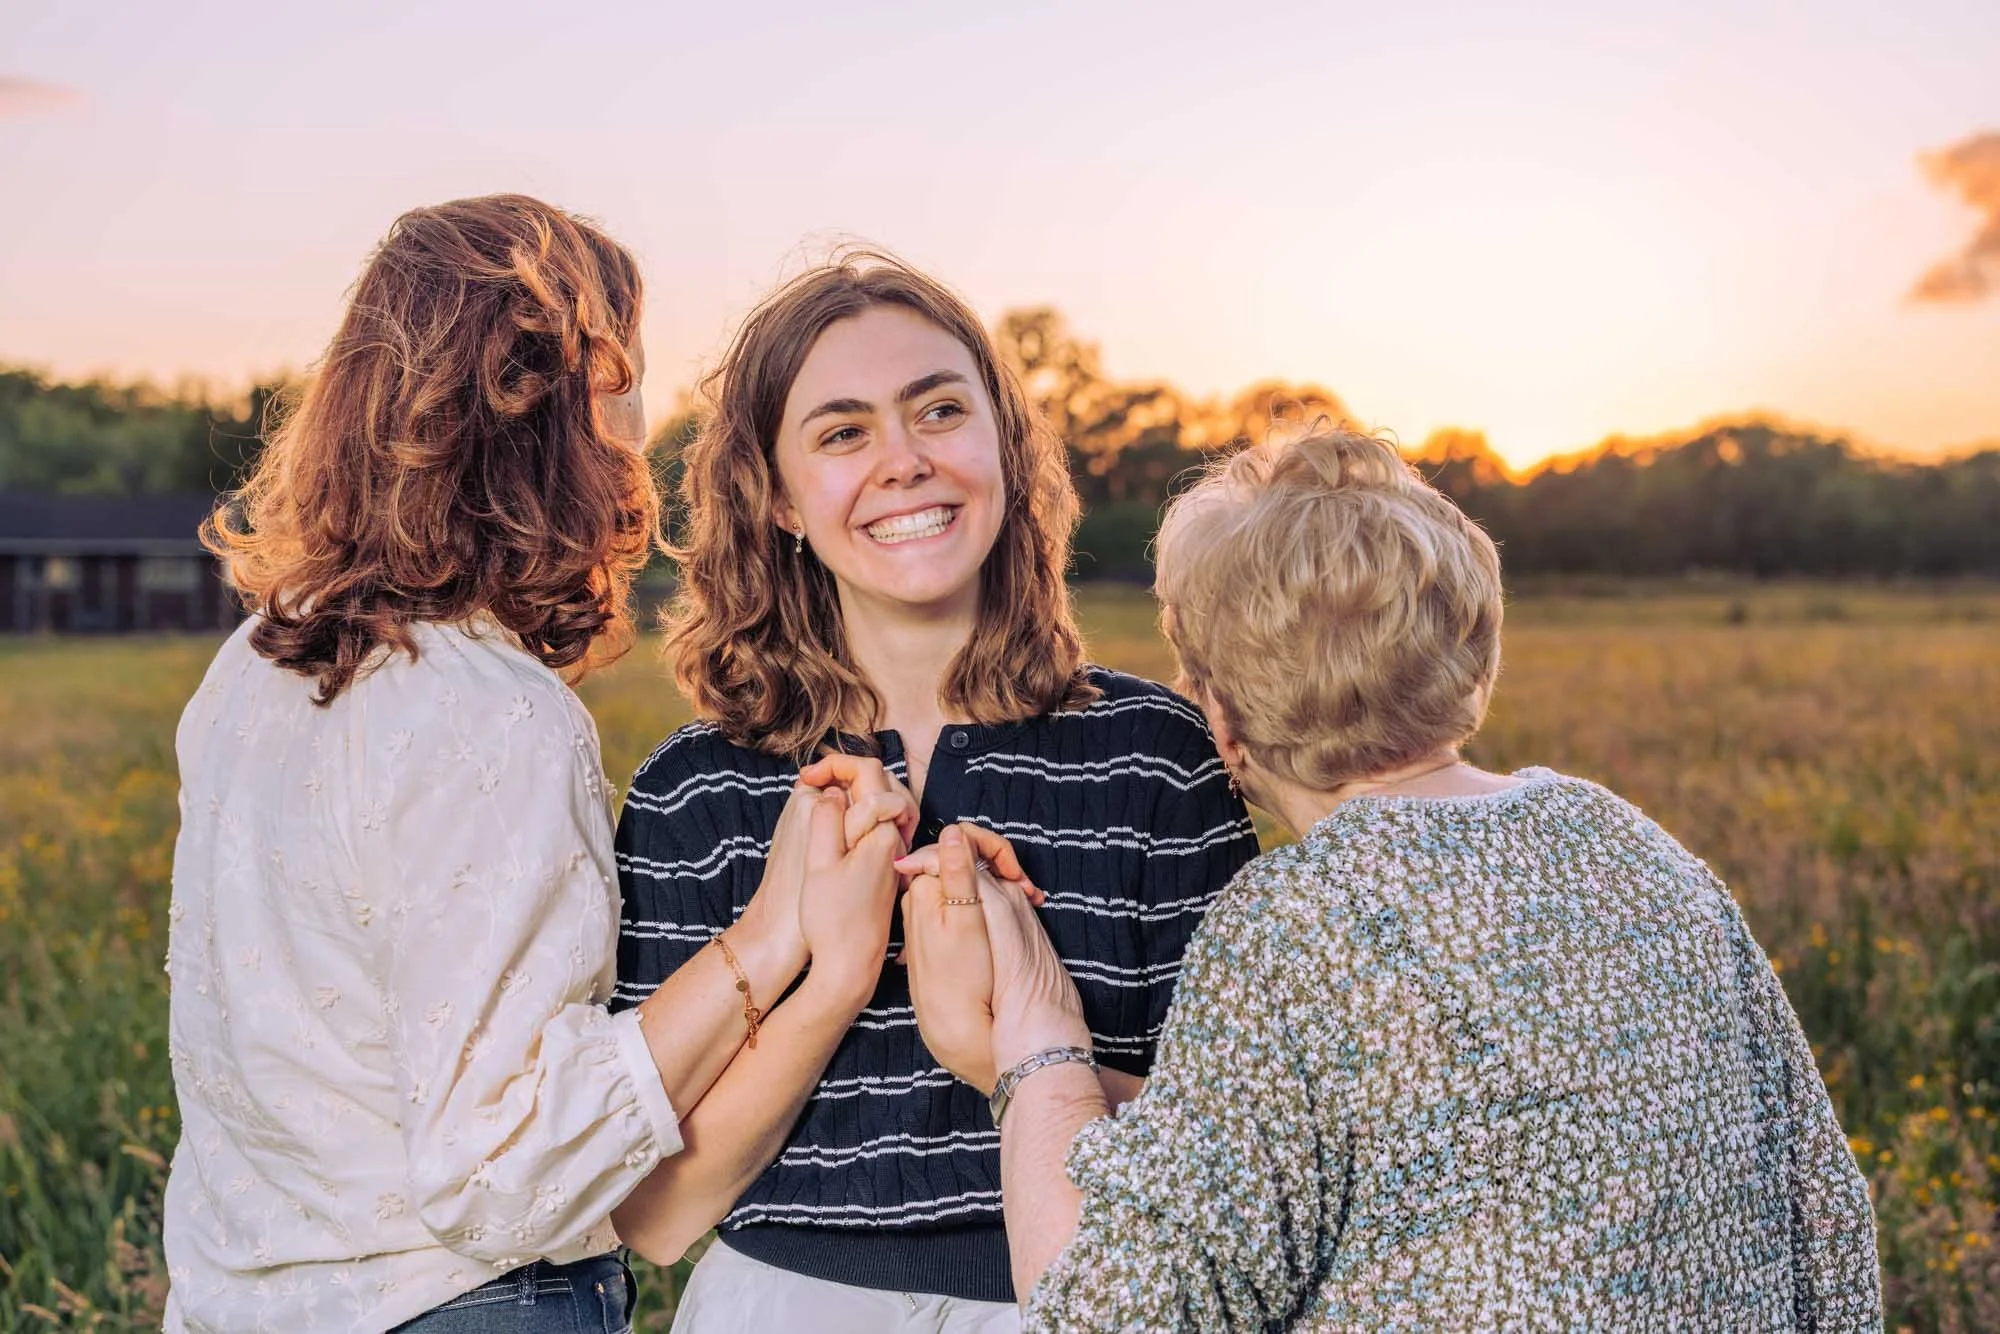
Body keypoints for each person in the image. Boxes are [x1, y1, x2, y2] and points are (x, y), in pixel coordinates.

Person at [908, 427, 1884, 1331]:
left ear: (1221, 719)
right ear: (1467, 641)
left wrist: (1033, 1044)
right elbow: (1826, 1222)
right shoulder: (1640, 850)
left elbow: (1103, 1313)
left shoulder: (1296, 924)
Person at [161, 195, 913, 1333]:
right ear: (545, 411)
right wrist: (770, 935)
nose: (641, 425)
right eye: (625, 381)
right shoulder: (489, 708)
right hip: (455, 1303)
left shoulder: (255, 664)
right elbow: (497, 1171)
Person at [608, 252, 1259, 1331]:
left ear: (1002, 442)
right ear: (773, 496)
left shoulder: (1152, 754)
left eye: (938, 410)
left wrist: (1019, 1051)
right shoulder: (694, 791)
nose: (903, 462)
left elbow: (1241, 1142)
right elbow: (658, 1212)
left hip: (1070, 1303)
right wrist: (833, 973)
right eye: (841, 431)